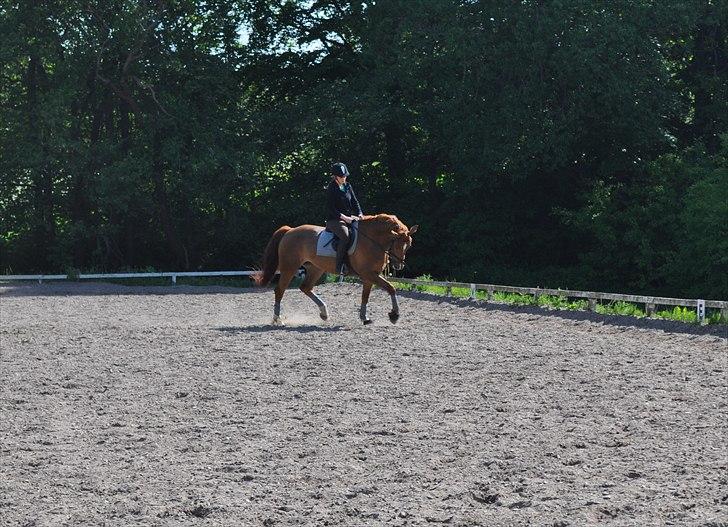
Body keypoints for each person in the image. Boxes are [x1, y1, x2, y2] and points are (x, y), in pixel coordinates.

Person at [326, 162, 363, 274]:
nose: (344, 178)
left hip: (349, 217)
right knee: (345, 236)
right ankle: (340, 266)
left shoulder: (347, 185)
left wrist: (360, 213)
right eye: (342, 177)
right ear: (335, 177)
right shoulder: (331, 188)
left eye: (345, 176)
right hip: (334, 220)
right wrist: (345, 218)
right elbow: (331, 209)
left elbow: (355, 202)